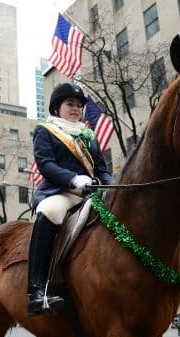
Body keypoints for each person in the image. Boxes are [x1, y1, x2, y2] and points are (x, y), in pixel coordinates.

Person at [27, 83, 113, 315]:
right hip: (61, 192)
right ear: (58, 107)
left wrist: (111, 182)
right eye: (70, 105)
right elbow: (46, 165)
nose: (75, 109)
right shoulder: (46, 130)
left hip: (92, 192)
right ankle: (36, 290)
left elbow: (101, 168)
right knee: (50, 211)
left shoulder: (88, 134)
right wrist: (74, 179)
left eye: (78, 106)